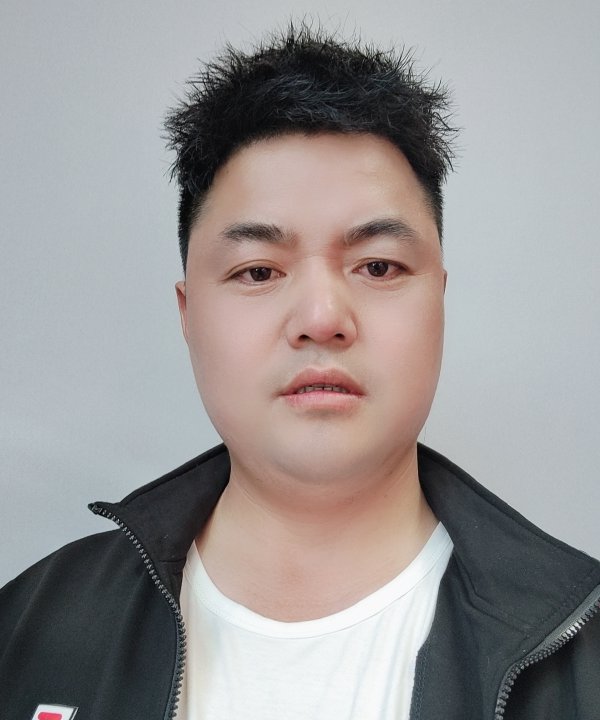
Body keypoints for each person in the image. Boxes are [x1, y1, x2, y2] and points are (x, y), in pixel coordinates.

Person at [1, 23, 599, 720]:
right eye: (259, 271)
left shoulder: (583, 656)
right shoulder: (26, 632)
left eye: (379, 266)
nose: (321, 317)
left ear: (439, 299)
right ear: (188, 313)